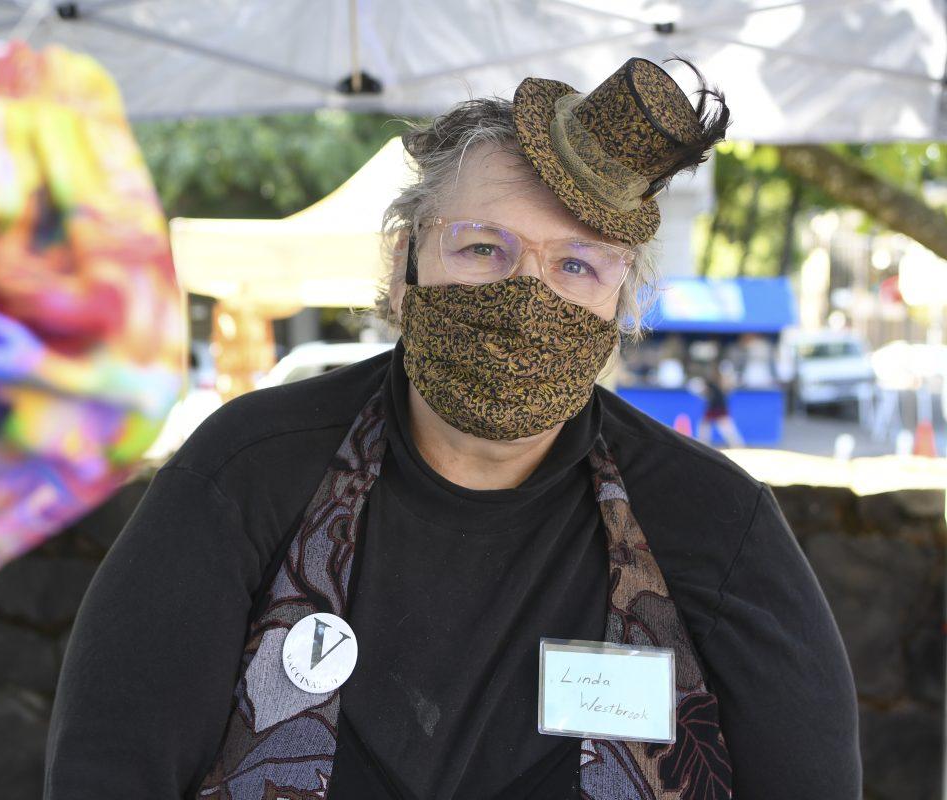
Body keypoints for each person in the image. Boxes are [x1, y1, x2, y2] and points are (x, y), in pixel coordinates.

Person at [45, 57, 860, 799]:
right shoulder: (248, 473)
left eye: (576, 264)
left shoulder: (716, 523)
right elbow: (109, 767)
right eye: (481, 248)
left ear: (623, 302)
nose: (527, 295)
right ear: (405, 267)